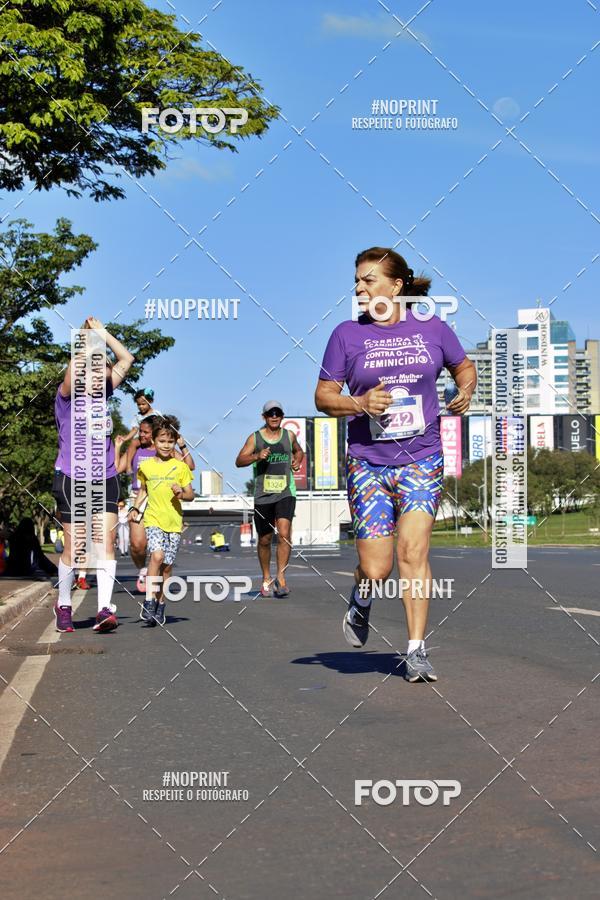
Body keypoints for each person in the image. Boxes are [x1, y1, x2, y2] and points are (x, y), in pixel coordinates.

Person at [315, 247, 476, 682]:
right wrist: (360, 402)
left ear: (396, 286)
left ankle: (416, 650)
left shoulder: (433, 329)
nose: (358, 288)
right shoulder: (346, 335)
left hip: (421, 457)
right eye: (357, 280)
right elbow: (323, 397)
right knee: (376, 568)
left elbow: (464, 367)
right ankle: (362, 599)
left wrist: (466, 389)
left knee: (413, 551)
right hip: (368, 463)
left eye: (368, 280)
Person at [51, 316, 134, 633]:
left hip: (106, 478)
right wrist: (86, 340)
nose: (98, 373)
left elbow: (127, 358)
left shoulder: (105, 396)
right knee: (76, 548)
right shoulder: (66, 398)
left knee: (106, 542)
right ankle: (64, 605)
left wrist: (102, 335)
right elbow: (74, 371)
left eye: (102, 369)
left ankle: (103, 609)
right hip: (72, 478)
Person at [129, 416, 194, 626]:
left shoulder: (181, 467)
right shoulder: (146, 467)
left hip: (173, 522)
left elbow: (191, 495)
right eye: (162, 441)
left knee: (167, 567)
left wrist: (181, 494)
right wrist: (135, 507)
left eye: (170, 442)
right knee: (156, 556)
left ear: (175, 441)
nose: (166, 446)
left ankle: (161, 603)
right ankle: (148, 602)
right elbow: (143, 491)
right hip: (153, 519)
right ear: (154, 442)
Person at [235, 401, 304, 597]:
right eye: (270, 414)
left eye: (278, 413)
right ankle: (266, 577)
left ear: (282, 416)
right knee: (265, 539)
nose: (274, 416)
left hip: (285, 491)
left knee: (284, 533)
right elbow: (239, 461)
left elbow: (299, 451)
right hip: (263, 495)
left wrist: (297, 461)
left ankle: (281, 577)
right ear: (263, 416)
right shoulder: (255, 438)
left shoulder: (289, 436)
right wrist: (257, 456)